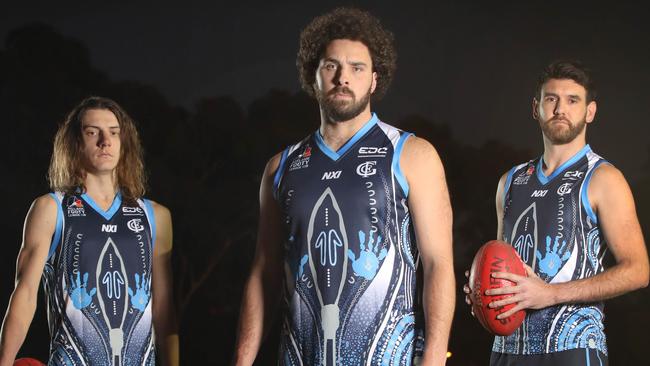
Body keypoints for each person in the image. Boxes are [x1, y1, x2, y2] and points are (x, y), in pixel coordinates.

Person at [233, 7, 455, 366]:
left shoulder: (412, 155)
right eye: (331, 66)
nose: (343, 78)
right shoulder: (281, 166)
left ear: (374, 80)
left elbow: (438, 264)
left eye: (357, 68)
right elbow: (264, 271)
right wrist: (242, 361)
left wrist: (433, 361)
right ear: (313, 76)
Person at [464, 60, 649, 365]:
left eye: (572, 100)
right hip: (508, 349)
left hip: (572, 347)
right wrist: (484, 289)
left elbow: (638, 270)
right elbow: (502, 261)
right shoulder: (510, 181)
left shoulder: (604, 178)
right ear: (536, 108)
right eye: (551, 99)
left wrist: (550, 294)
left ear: (590, 112)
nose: (560, 108)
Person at [0, 97, 179, 366]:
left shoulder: (155, 216)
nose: (105, 141)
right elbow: (24, 294)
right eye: (92, 132)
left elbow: (164, 308)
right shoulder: (51, 209)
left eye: (114, 133)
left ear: (123, 143)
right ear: (75, 144)